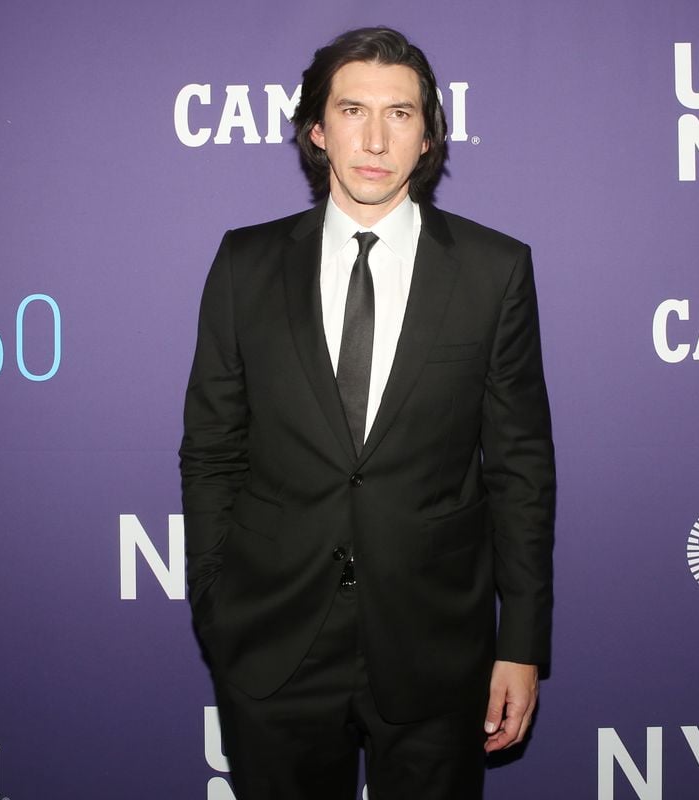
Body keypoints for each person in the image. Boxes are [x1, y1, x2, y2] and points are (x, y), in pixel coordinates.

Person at [180, 26, 555, 800]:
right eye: (352, 111)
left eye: (401, 114)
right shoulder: (245, 264)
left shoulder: (494, 271)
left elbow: (520, 471)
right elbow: (213, 448)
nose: (375, 137)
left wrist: (519, 643)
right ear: (318, 130)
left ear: (428, 138)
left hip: (435, 645)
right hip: (273, 639)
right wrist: (218, 602)